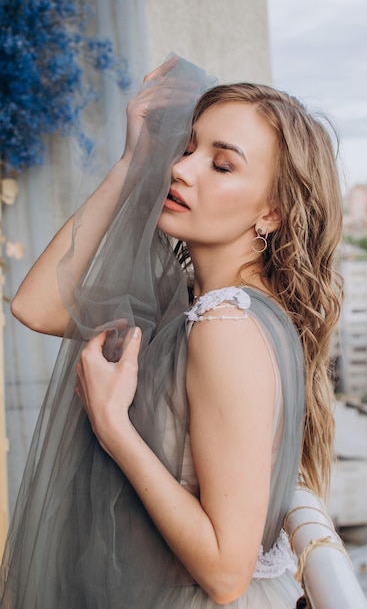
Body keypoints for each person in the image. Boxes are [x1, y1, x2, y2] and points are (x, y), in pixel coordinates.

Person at [1, 55, 344, 608]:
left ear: (273, 212)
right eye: (186, 148)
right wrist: (134, 161)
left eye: (222, 165)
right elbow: (35, 307)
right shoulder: (187, 298)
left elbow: (228, 573)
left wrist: (114, 425)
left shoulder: (226, 325)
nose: (182, 169)